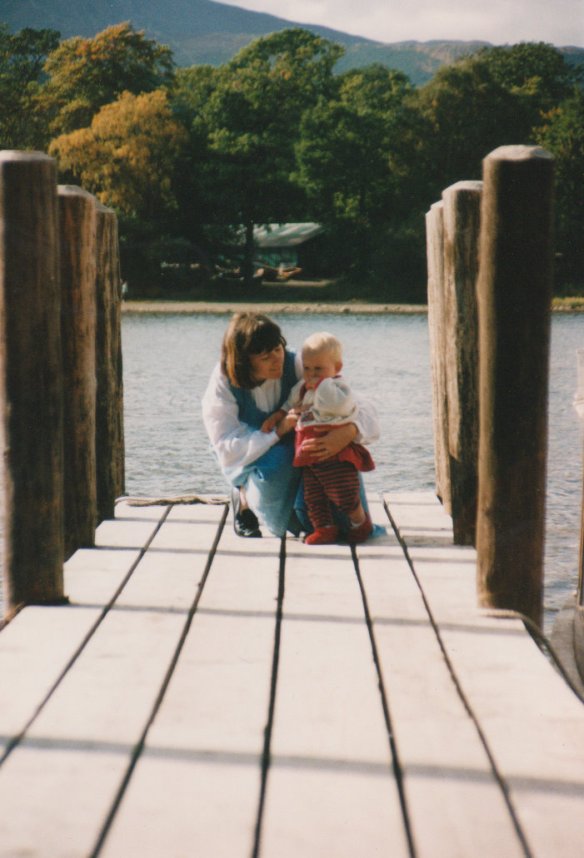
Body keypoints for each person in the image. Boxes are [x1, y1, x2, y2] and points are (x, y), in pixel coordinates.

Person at [201, 313, 379, 539]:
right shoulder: (224, 381)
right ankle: (244, 496)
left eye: (278, 349)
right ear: (244, 361)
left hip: (303, 453)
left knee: (346, 523)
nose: (278, 359)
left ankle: (309, 514)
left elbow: (364, 407)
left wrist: (349, 431)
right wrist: (278, 431)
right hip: (251, 461)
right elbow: (227, 449)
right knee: (282, 465)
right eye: (266, 357)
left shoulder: (299, 364)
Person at [261, 331, 375, 545]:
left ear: (336, 368)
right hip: (308, 452)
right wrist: (278, 416)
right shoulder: (302, 387)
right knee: (313, 496)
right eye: (307, 368)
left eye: (319, 369)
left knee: (343, 491)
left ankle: (360, 523)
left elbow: (338, 405)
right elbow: (289, 404)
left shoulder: (338, 387)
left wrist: (322, 385)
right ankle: (324, 527)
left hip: (334, 452)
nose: (312, 374)